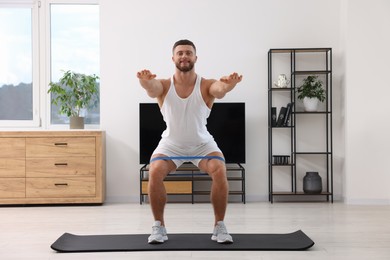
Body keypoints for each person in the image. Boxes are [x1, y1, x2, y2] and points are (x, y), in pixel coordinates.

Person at [137, 39, 242, 244]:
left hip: (202, 144)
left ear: (195, 57)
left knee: (219, 169)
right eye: (180, 53)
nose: (184, 56)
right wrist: (144, 81)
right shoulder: (165, 85)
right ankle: (159, 227)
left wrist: (229, 85)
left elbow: (219, 90)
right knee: (155, 170)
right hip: (171, 144)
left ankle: (219, 227)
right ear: (173, 58)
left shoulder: (206, 84)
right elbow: (152, 89)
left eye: (188, 53)